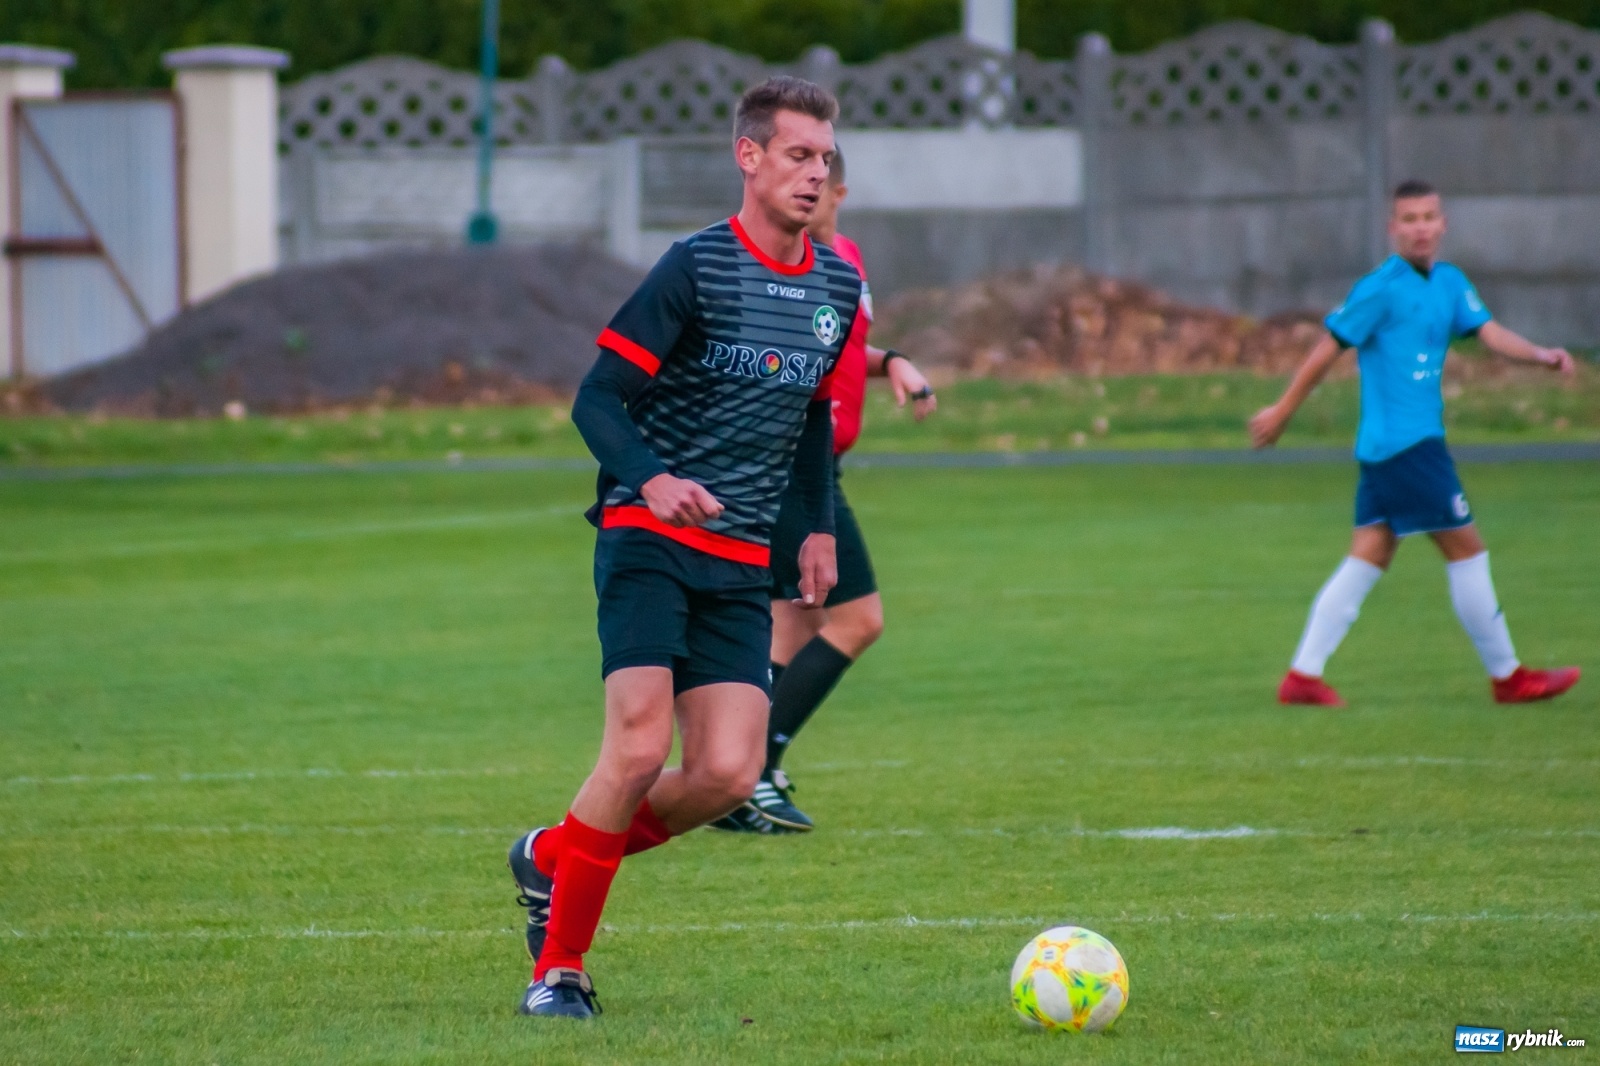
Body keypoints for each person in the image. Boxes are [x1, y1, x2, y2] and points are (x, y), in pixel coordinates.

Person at [504, 75, 864, 1019]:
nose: (814, 173)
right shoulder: (694, 268)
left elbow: (812, 417)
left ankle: (552, 857)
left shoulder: (836, 285)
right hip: (649, 537)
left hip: (741, 558)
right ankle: (559, 971)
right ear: (749, 156)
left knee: (727, 775)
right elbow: (596, 398)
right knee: (634, 749)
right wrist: (653, 478)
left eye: (824, 158)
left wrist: (816, 527)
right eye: (797, 154)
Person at [1250, 179, 1580, 707]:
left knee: (1369, 554)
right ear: (1393, 228)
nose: (1420, 228)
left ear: (1443, 224)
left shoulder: (1449, 283)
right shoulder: (1380, 288)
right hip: (1408, 447)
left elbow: (1490, 333)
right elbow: (1327, 348)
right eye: (1409, 219)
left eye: (1429, 217)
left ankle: (1302, 677)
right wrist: (1283, 410)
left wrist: (1540, 355)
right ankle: (1509, 677)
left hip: (1392, 450)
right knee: (1467, 549)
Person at [712, 148, 938, 833]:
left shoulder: (845, 264)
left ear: (838, 192)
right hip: (787, 467)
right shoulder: (774, 269)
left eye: (817, 182)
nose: (805, 195)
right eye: (796, 176)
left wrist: (892, 362)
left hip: (817, 465)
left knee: (798, 620)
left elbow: (835, 348)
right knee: (857, 619)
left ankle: (734, 774)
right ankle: (749, 770)